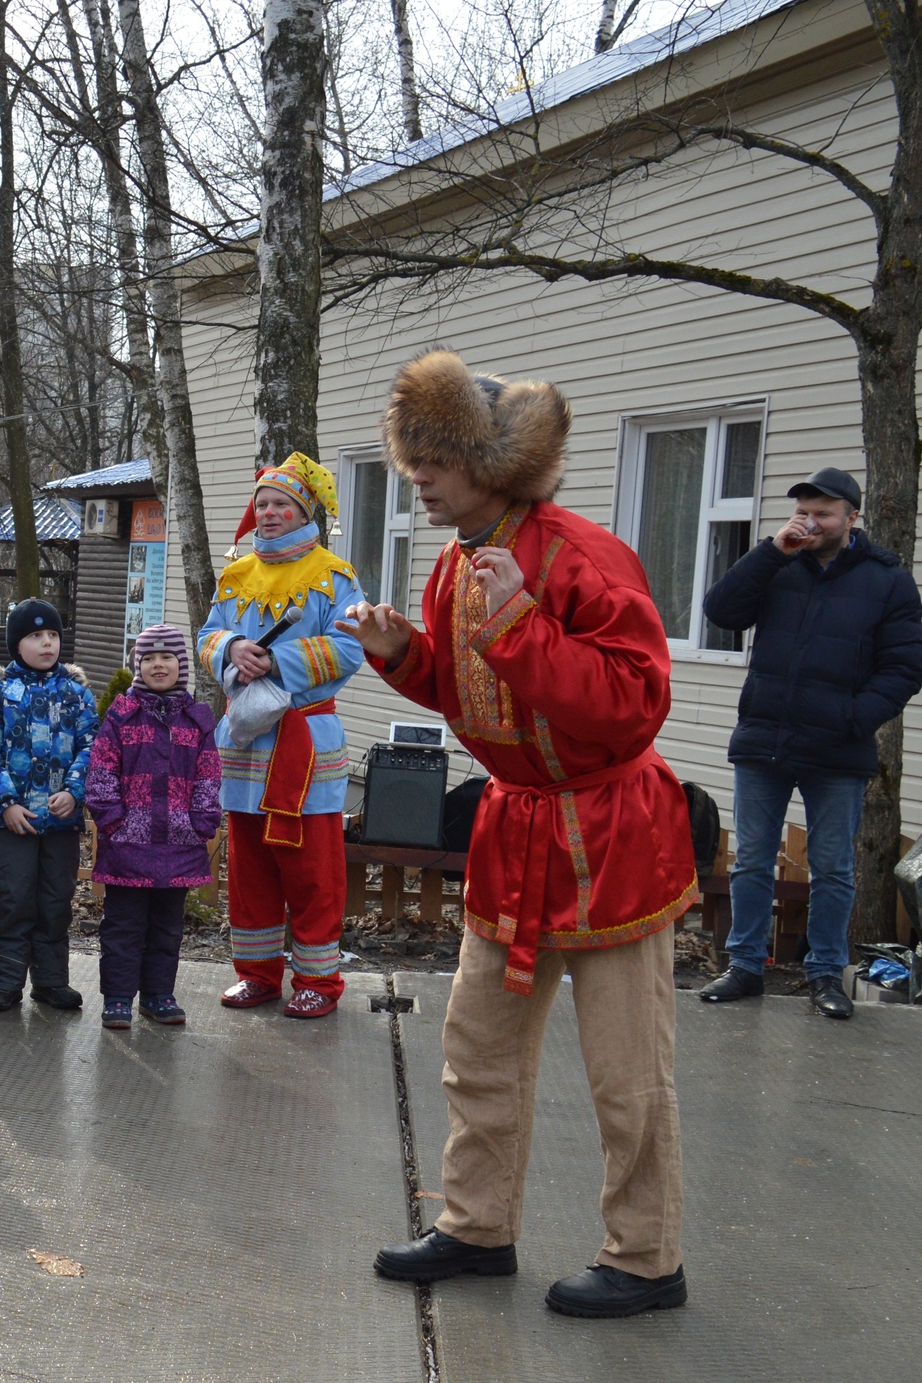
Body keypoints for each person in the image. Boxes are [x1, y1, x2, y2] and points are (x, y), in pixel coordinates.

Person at [343, 349, 696, 1320]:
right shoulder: (455, 567)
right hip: (515, 829)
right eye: (412, 455)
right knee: (476, 1048)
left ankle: (645, 1256)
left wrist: (516, 624)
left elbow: (631, 707)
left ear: (491, 465)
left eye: (436, 459)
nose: (418, 474)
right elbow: (476, 697)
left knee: (627, 1072)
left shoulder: (581, 557)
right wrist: (405, 657)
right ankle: (476, 1225)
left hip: (609, 835)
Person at [698, 465, 922, 1021]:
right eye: (804, 511)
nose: (810, 521)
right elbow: (721, 611)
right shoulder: (777, 563)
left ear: (852, 518)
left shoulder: (887, 580)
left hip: (837, 749)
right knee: (751, 859)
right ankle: (745, 966)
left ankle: (826, 974)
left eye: (823, 513)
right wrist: (771, 552)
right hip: (764, 740)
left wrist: (852, 719)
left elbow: (904, 668)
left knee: (831, 868)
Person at [201, 452, 367, 1020]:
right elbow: (207, 637)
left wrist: (275, 661)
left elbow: (351, 648)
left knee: (313, 870)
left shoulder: (334, 576)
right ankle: (257, 976)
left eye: (281, 505)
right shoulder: (236, 576)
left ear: (304, 512)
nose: (268, 513)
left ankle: (319, 980)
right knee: (250, 869)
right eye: (263, 504)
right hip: (247, 742)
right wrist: (229, 649)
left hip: (307, 742)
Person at [84, 624, 222, 1029]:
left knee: (166, 929)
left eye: (167, 658)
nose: (158, 666)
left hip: (179, 844)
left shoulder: (196, 720)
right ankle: (118, 999)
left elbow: (209, 774)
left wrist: (201, 821)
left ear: (181, 665)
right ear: (137, 665)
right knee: (123, 928)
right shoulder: (121, 718)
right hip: (128, 844)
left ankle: (159, 995)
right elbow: (102, 771)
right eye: (149, 659)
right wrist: (111, 820)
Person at [0, 598, 96, 1014]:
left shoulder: (77, 695)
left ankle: (51, 982)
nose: (46, 643)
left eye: (53, 635)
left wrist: (75, 791)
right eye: (35, 636)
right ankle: (5, 983)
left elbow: (91, 748)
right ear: (16, 644)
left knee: (55, 902)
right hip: (12, 824)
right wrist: (5, 802)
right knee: (13, 900)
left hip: (61, 823)